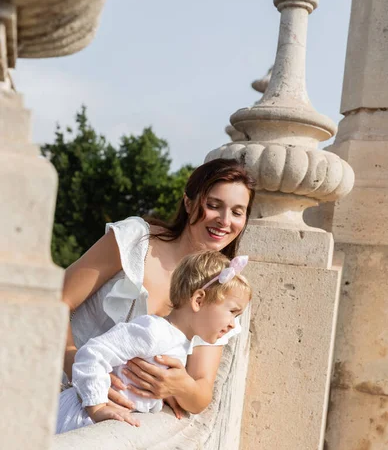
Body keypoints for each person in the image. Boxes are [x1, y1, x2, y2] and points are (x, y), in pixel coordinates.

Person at [62, 158, 255, 419]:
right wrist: (81, 369)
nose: (224, 220)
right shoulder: (136, 241)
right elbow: (55, 301)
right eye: (213, 205)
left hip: (111, 423)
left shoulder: (220, 288)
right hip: (53, 390)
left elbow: (200, 393)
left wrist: (177, 385)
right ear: (188, 203)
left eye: (237, 212)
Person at [56, 251, 251, 433]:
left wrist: (161, 399)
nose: (233, 325)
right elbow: (93, 353)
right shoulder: (155, 331)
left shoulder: (180, 344)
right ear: (198, 300)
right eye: (232, 312)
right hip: (79, 417)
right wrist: (97, 407)